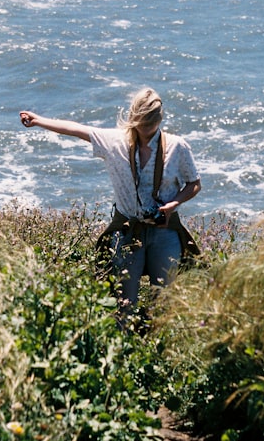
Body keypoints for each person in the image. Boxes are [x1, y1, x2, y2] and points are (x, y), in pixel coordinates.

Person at [19, 87, 201, 318]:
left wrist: (174, 203)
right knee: (124, 303)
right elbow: (78, 130)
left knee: (163, 302)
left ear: (159, 119)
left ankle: (156, 348)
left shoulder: (178, 147)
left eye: (150, 124)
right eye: (140, 124)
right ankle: (125, 347)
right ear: (133, 119)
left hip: (164, 232)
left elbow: (194, 183)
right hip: (127, 231)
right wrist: (39, 121)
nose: (145, 130)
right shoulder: (115, 141)